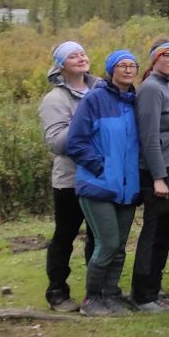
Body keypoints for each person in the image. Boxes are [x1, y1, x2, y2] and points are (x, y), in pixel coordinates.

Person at [64, 50, 142, 316]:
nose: (128, 70)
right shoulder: (94, 99)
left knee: (119, 247)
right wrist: (100, 166)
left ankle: (112, 295)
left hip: (128, 188)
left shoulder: (135, 101)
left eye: (133, 65)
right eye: (122, 65)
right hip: (98, 185)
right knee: (107, 243)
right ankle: (91, 299)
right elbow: (75, 142)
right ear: (111, 70)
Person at [38, 40, 94, 309]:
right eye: (73, 56)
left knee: (99, 236)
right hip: (70, 179)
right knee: (65, 235)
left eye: (83, 53)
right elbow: (57, 143)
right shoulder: (55, 100)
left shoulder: (99, 89)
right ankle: (57, 291)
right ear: (61, 66)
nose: (81, 58)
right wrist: (85, 122)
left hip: (99, 176)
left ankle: (96, 291)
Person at [132, 39, 169, 312]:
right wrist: (158, 177)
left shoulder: (166, 86)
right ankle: (142, 294)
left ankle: (153, 289)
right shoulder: (151, 89)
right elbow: (149, 137)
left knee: (165, 232)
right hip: (158, 171)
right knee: (153, 233)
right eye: (167, 56)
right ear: (154, 59)